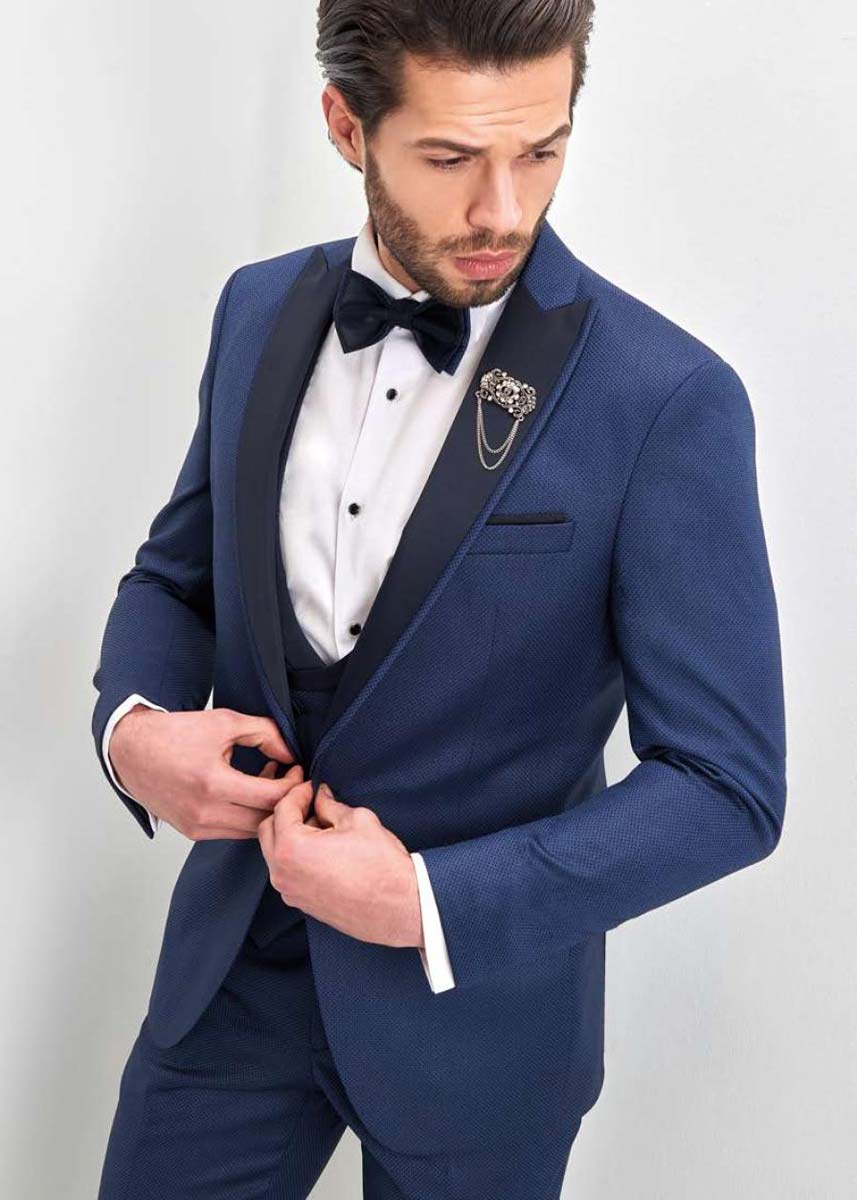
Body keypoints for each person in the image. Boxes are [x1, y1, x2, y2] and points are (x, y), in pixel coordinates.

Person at [92, 2, 787, 1196]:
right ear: (344, 126)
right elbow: (177, 577)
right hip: (230, 982)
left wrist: (425, 900)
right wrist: (135, 731)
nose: (502, 210)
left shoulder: (666, 397)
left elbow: (725, 788)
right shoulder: (255, 309)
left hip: (480, 1028)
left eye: (541, 149)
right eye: (451, 157)